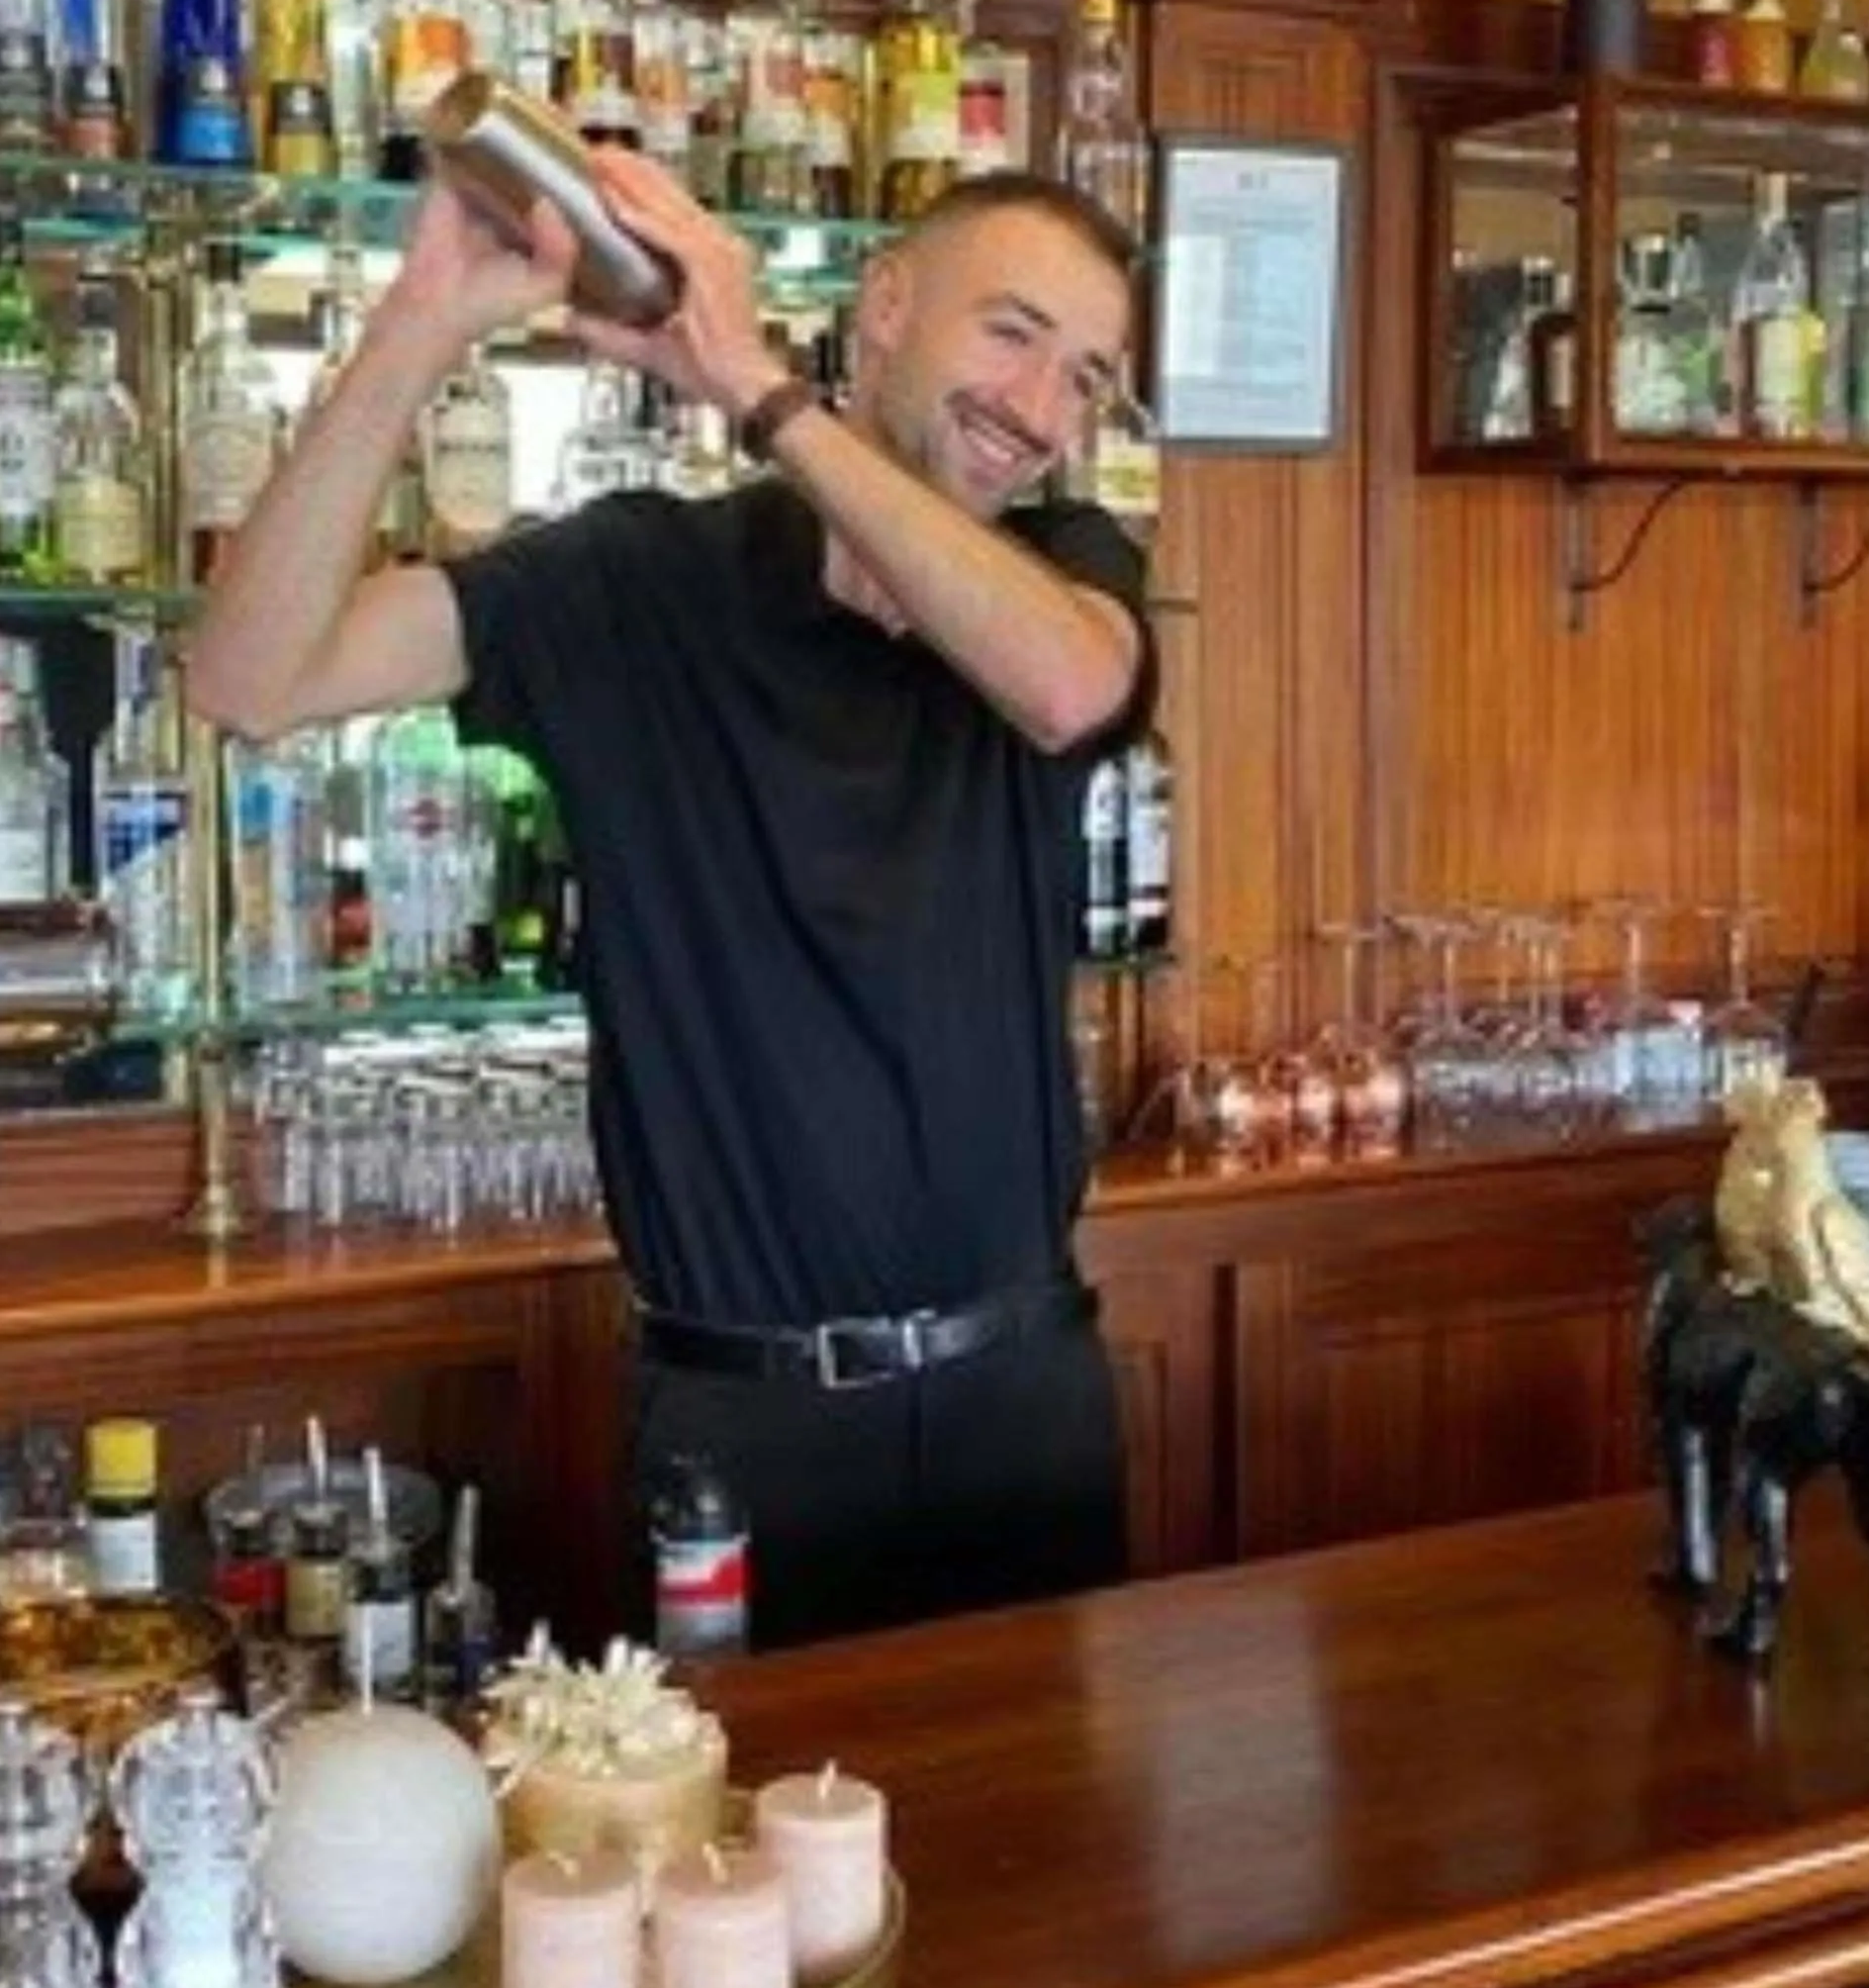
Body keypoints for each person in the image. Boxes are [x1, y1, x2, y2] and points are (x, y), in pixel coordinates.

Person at [185, 151, 1154, 1648]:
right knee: (728, 1871)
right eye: (1012, 333)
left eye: (1086, 378)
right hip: (739, 1425)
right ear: (885, 306)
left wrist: (755, 385)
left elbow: (1068, 681)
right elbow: (248, 679)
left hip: (1021, 1402)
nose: (1040, 411)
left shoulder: (1064, 571)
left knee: (1055, 1869)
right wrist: (424, 320)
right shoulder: (632, 585)